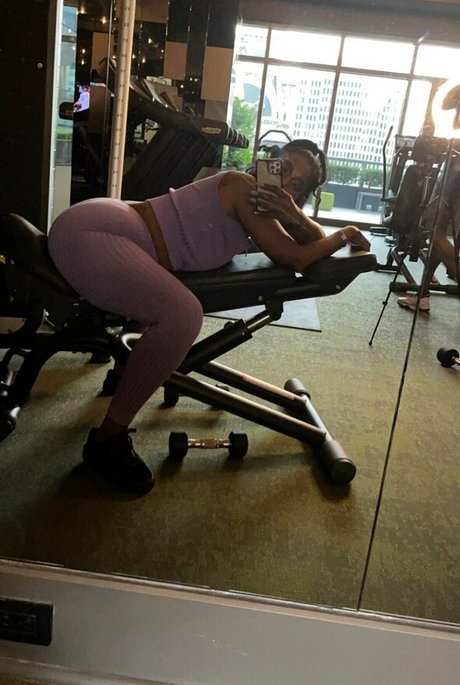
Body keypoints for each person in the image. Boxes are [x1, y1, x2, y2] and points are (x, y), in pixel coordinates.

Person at [48, 143, 370, 492]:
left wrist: (292, 214)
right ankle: (106, 441)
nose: (285, 181)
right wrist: (345, 234)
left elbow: (309, 241)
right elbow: (296, 257)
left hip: (115, 234)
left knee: (163, 296)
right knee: (182, 314)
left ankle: (125, 374)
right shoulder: (242, 186)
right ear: (267, 162)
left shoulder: (260, 213)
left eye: (296, 184)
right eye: (284, 168)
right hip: (95, 232)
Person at [397, 155, 460, 313]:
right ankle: (422, 295)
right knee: (437, 231)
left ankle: (422, 295)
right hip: (454, 165)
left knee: (433, 230)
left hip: (456, 167)